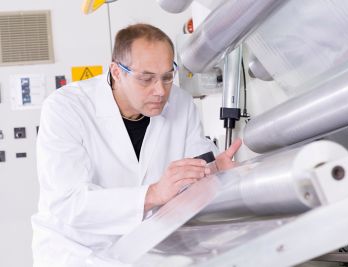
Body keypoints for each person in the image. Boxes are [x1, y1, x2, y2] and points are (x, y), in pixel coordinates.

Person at [31, 23, 241, 267]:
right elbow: (69, 203)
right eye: (146, 78)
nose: (160, 91)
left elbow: (194, 171)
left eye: (167, 77)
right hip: (75, 254)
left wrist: (213, 173)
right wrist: (152, 194)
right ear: (116, 72)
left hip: (143, 250)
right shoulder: (65, 108)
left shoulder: (181, 104)